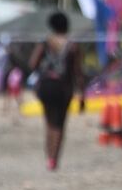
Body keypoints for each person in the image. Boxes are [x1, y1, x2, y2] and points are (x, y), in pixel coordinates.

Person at [28, 12, 85, 171]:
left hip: (46, 85)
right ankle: (54, 159)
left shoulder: (45, 43)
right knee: (60, 123)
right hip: (63, 87)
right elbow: (77, 72)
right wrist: (82, 93)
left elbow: (32, 63)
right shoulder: (73, 45)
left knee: (48, 122)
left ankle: (48, 157)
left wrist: (44, 70)